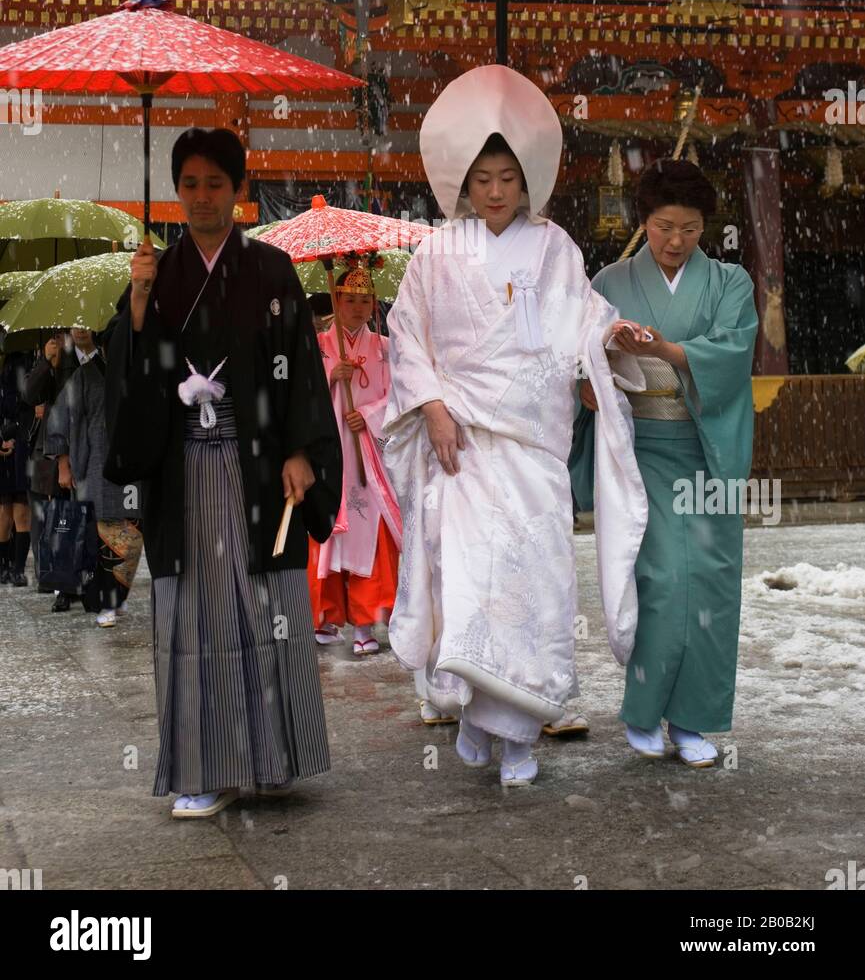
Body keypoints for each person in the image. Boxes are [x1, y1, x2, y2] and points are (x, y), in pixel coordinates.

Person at [381, 65, 647, 787]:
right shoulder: (434, 253)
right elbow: (406, 336)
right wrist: (432, 407)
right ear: (463, 185)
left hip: (531, 450)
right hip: (463, 445)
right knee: (470, 586)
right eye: (482, 179)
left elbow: (582, 323)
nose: (495, 191)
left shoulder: (554, 248)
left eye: (507, 177)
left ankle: (521, 735)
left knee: (533, 582)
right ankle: (473, 714)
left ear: (525, 180)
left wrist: (613, 340)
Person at [104, 127, 342, 820]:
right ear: (176, 191)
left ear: (238, 192)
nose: (202, 197)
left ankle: (271, 760)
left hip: (258, 466)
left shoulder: (270, 271)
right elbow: (130, 381)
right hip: (184, 472)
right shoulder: (157, 273)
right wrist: (141, 306)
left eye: (216, 184)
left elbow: (297, 368)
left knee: (262, 607)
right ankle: (204, 769)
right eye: (190, 184)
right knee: (196, 622)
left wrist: (301, 448)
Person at [570, 159, 758, 768]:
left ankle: (695, 721)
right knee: (661, 580)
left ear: (706, 228)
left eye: (689, 229)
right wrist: (589, 386)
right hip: (640, 447)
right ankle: (645, 710)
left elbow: (731, 354)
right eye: (661, 226)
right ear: (642, 221)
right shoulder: (609, 282)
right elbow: (577, 362)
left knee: (713, 584)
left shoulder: (730, 283)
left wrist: (667, 350)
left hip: (708, 448)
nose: (675, 241)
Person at [307, 265, 402, 656]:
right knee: (329, 532)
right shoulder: (318, 346)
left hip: (368, 454)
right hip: (330, 452)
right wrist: (329, 375)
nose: (359, 307)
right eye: (350, 300)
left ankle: (366, 623)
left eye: (366, 300)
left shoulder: (384, 347)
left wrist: (371, 415)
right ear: (336, 301)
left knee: (369, 533)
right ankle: (326, 615)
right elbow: (301, 397)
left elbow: (400, 397)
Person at [45, 333, 143, 627]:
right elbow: (60, 418)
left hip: (133, 462)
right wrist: (64, 462)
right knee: (104, 535)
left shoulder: (137, 371)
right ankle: (106, 602)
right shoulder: (85, 375)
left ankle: (119, 596)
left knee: (132, 533)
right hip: (98, 462)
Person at [23, 329, 90, 603]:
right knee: (51, 516)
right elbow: (30, 394)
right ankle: (55, 578)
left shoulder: (83, 354)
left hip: (81, 443)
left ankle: (76, 578)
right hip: (49, 449)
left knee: (78, 514)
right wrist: (46, 362)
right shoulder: (47, 352)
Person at [0, 351, 33, 587]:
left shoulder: (25, 362)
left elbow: (28, 403)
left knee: (21, 511)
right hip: (5, 445)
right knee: (4, 513)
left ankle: (18, 568)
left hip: (21, 446)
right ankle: (4, 566)